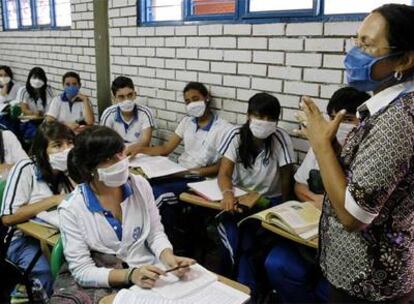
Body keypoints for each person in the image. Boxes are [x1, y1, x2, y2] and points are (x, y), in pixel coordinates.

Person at [297, 4, 414, 302]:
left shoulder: (396, 120)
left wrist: (321, 145)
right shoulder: (386, 109)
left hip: (370, 283)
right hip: (361, 276)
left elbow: (354, 216)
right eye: (356, 40)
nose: (354, 52)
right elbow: (364, 180)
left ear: (405, 58)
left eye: (368, 44)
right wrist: (331, 146)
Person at [57, 126, 194, 299]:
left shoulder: (140, 185)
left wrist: (168, 257)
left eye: (121, 153)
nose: (121, 161)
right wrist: (130, 275)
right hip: (110, 281)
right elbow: (82, 271)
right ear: (89, 169)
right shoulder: (72, 209)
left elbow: (154, 233)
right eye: (109, 159)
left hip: (151, 274)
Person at [216, 92, 295, 297]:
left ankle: (246, 290)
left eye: (271, 119)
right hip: (241, 199)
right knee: (234, 239)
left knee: (250, 243)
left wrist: (283, 210)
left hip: (271, 202)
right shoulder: (235, 136)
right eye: (260, 116)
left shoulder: (280, 138)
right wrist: (227, 193)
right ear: (249, 115)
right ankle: (238, 286)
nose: (265, 122)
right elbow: (224, 173)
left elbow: (287, 177)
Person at [0, 121, 75, 297]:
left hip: (59, 236)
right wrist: (53, 200)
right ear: (43, 151)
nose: (66, 149)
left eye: (70, 143)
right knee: (49, 276)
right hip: (22, 240)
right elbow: (8, 217)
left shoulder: (69, 169)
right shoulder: (26, 169)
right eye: (57, 145)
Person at [127, 81, 232, 177]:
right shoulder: (187, 122)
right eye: (188, 102)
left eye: (195, 99)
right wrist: (139, 149)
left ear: (207, 98)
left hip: (200, 177)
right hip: (179, 169)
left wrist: (188, 173)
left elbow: (219, 167)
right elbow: (166, 149)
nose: (192, 104)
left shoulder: (223, 128)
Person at [294, 87, 370, 209]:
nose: (337, 125)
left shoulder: (370, 153)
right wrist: (319, 202)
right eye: (332, 118)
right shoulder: (321, 145)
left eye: (347, 119)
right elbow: (300, 187)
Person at [100, 76, 154, 147]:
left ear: (135, 95)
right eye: (121, 97)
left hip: (140, 153)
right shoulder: (108, 114)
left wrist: (128, 150)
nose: (126, 100)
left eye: (130, 95)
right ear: (114, 99)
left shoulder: (145, 113)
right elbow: (104, 141)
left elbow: (145, 142)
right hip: (116, 154)